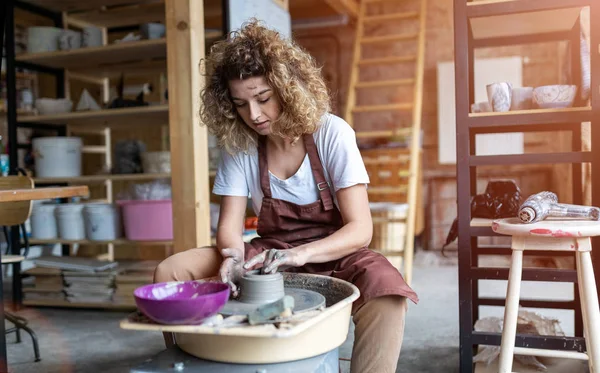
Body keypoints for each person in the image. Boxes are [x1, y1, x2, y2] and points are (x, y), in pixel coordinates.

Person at [153, 19, 418, 373]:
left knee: (387, 292)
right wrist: (231, 260)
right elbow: (229, 231)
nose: (254, 115)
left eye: (263, 98)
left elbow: (360, 230)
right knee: (170, 271)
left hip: (335, 253)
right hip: (269, 254)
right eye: (241, 104)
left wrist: (298, 254)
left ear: (287, 88)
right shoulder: (241, 146)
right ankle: (200, 365)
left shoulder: (332, 134)